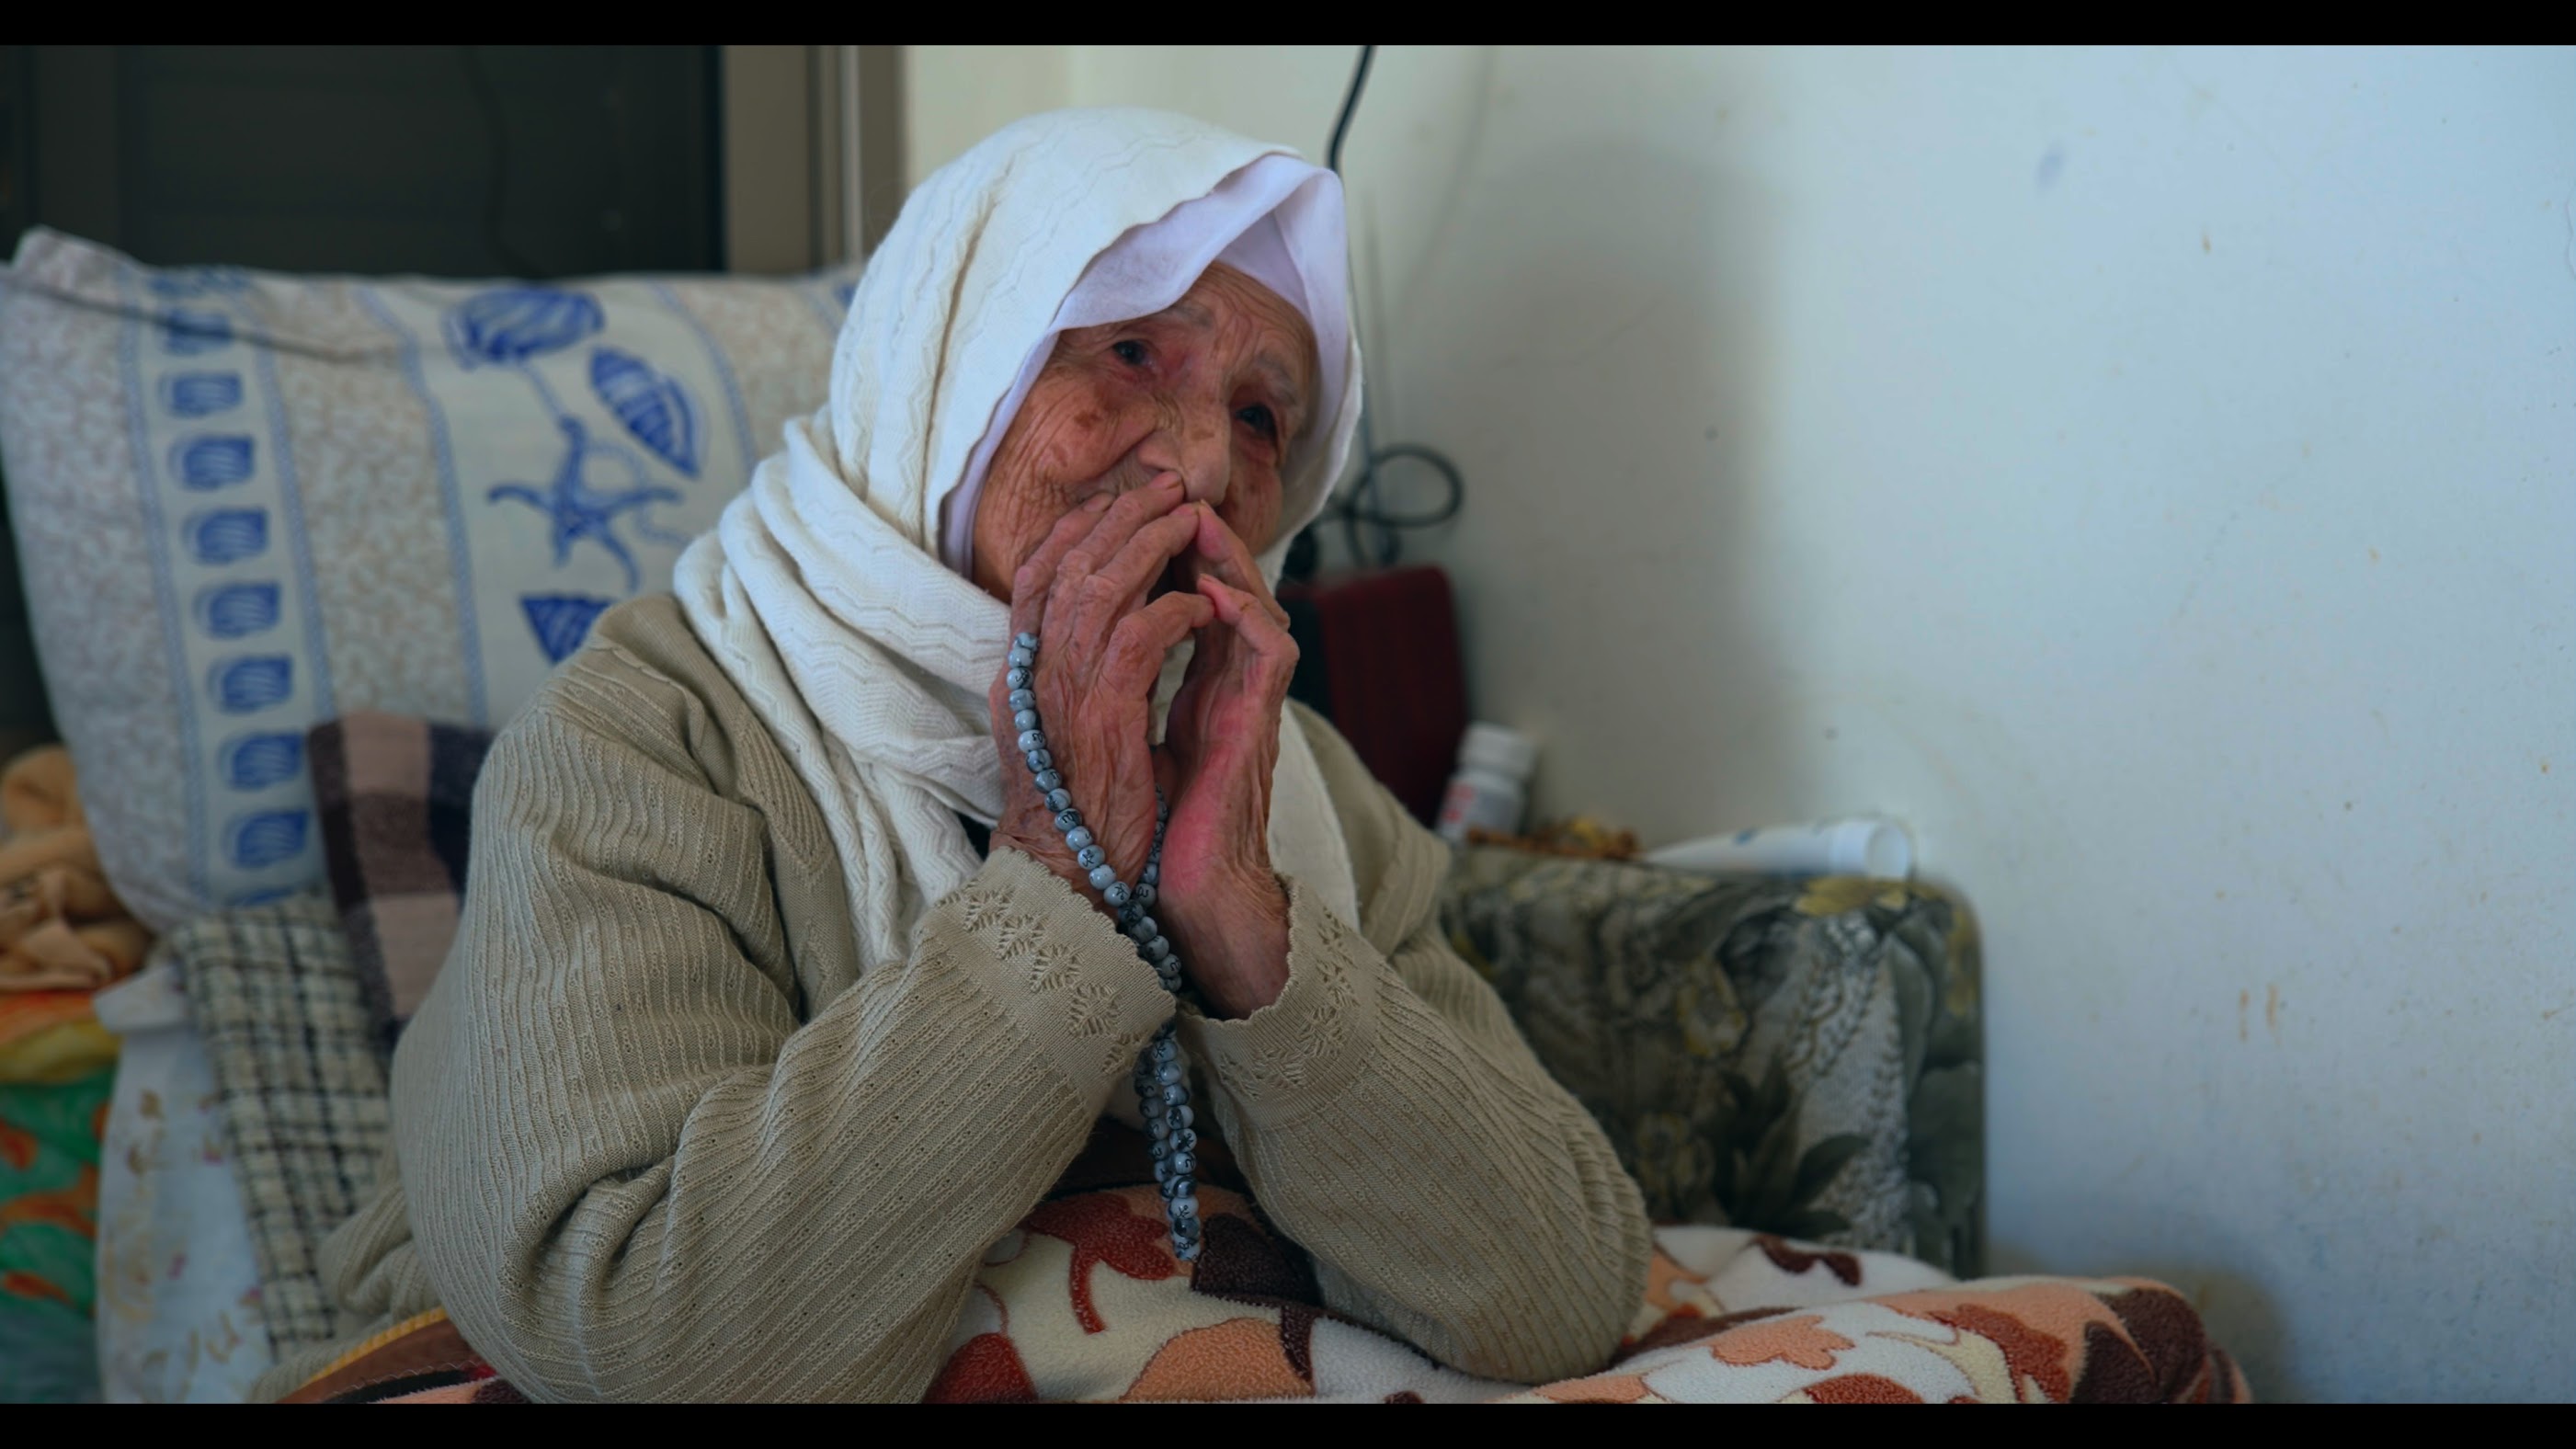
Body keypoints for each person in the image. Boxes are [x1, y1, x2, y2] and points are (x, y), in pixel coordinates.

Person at [256, 107, 1650, 1403]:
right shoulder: (647, 739)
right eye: (1130, 352)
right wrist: (1056, 882)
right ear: (953, 360)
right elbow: (633, 1334)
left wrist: (1236, 917)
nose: (1205, 467)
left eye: (1260, 416)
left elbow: (1552, 1299)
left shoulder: (1295, 791)